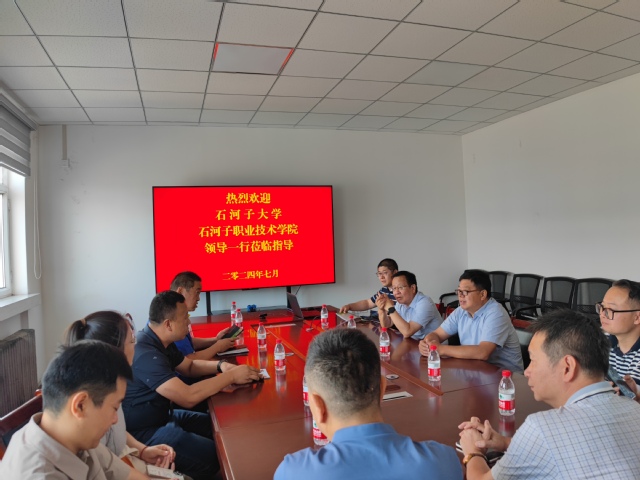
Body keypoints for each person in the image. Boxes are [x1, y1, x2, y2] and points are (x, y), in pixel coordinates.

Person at [458, 309, 640, 479]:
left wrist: (473, 452)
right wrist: (507, 443)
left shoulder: (542, 427)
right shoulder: (635, 408)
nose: (527, 371)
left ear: (567, 367)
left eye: (533, 360)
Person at [274, 328, 462, 480]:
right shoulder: (443, 461)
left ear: (317, 406)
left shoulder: (293, 472)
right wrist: (474, 456)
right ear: (382, 389)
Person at [122, 290, 261, 480]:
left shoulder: (161, 340)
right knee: (218, 455)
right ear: (168, 324)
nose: (188, 322)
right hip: (146, 432)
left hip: (165, 416)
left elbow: (189, 366)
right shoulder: (146, 353)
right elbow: (187, 397)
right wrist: (231, 377)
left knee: (222, 429)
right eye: (185, 317)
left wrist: (222, 366)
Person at [0, 341, 137, 479]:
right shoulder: (41, 474)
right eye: (114, 408)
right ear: (80, 405)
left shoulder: (75, 434)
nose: (115, 420)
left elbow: (124, 474)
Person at [64, 311, 176, 474]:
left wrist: (143, 451)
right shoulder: (94, 401)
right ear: (116, 351)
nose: (136, 346)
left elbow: (116, 430)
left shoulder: (111, 383)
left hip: (129, 460)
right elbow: (108, 466)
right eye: (132, 341)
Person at [420, 269, 523, 373]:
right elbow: (437, 334)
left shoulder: (496, 313)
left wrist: (441, 349)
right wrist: (427, 343)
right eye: (459, 291)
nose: (460, 295)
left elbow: (483, 352)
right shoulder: (460, 311)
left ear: (482, 294)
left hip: (505, 376)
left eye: (465, 292)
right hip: (475, 370)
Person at [171, 271, 235, 359]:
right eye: (197, 292)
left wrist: (216, 339)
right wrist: (217, 347)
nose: (198, 298)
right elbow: (188, 360)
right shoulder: (172, 319)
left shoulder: (176, 314)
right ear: (180, 292)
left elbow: (190, 343)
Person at [598, 279, 640, 396]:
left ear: (637, 317)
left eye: (611, 310)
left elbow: (632, 393)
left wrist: (636, 395)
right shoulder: (600, 340)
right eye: (602, 307)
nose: (602, 314)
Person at [376, 270, 443, 339]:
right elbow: (387, 324)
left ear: (413, 288)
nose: (396, 292)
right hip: (414, 343)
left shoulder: (425, 303)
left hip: (434, 345)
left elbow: (407, 332)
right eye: (394, 288)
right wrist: (382, 309)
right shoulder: (401, 303)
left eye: (400, 287)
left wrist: (390, 308)